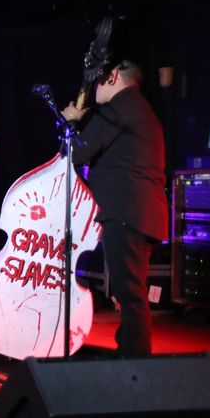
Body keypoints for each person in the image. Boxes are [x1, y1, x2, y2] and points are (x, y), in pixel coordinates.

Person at [62, 60, 168, 356]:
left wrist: (71, 121)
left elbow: (77, 152)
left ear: (113, 78)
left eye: (99, 80)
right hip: (141, 213)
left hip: (128, 212)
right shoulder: (137, 108)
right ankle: (130, 353)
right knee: (129, 291)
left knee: (130, 294)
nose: (94, 87)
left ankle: (135, 362)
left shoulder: (118, 108)